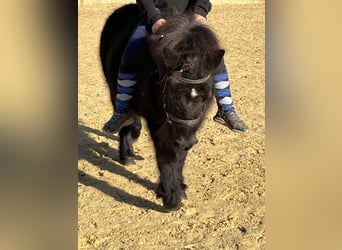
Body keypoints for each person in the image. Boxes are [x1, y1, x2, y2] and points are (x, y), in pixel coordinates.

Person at [103, 0, 248, 134]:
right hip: (156, 20)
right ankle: (123, 110)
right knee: (130, 55)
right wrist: (155, 19)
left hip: (188, 20)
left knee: (213, 56)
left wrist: (200, 12)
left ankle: (225, 108)